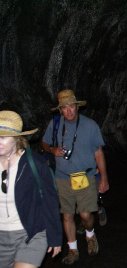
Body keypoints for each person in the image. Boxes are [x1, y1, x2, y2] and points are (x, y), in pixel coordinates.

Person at [41, 89, 109, 265]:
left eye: (71, 106)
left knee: (86, 215)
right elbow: (44, 143)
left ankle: (90, 234)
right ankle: (73, 249)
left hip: (85, 176)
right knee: (67, 215)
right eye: (64, 108)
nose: (69, 111)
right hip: (63, 178)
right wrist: (52, 149)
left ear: (77, 107)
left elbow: (99, 153)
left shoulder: (90, 125)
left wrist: (104, 177)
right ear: (60, 110)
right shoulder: (55, 124)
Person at [0, 110, 62, 267]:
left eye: (3, 137)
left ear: (17, 138)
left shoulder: (34, 164)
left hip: (32, 233)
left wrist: (54, 236)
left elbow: (50, 200)